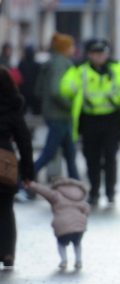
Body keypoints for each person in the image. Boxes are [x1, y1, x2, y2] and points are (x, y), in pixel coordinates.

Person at [60, 39, 120, 206]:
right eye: (95, 54)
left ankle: (110, 191)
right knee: (91, 157)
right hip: (90, 120)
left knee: (110, 156)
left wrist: (118, 81)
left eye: (102, 53)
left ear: (107, 54)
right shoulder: (81, 70)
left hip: (111, 119)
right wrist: (76, 87)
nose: (99, 57)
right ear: (89, 55)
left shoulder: (117, 68)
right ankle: (94, 191)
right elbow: (65, 87)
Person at [33, 33, 80, 182]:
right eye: (71, 46)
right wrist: (71, 105)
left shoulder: (51, 62)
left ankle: (77, 184)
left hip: (58, 115)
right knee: (49, 152)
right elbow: (55, 90)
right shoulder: (60, 63)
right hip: (59, 115)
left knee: (70, 154)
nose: (74, 49)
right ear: (65, 48)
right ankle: (23, 178)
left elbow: (39, 90)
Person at [0, 66, 34, 269]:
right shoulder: (13, 110)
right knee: (5, 209)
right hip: (5, 164)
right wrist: (28, 173)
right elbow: (24, 141)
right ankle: (7, 253)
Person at [26, 177, 90, 270]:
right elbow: (86, 209)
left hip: (62, 225)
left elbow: (44, 191)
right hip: (79, 226)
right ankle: (78, 260)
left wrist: (32, 184)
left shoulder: (56, 194)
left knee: (61, 243)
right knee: (77, 243)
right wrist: (83, 217)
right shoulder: (79, 195)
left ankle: (63, 260)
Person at [18, 45, 41, 115]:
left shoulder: (21, 64)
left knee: (23, 111)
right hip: (33, 90)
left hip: (23, 90)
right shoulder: (37, 65)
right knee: (36, 112)